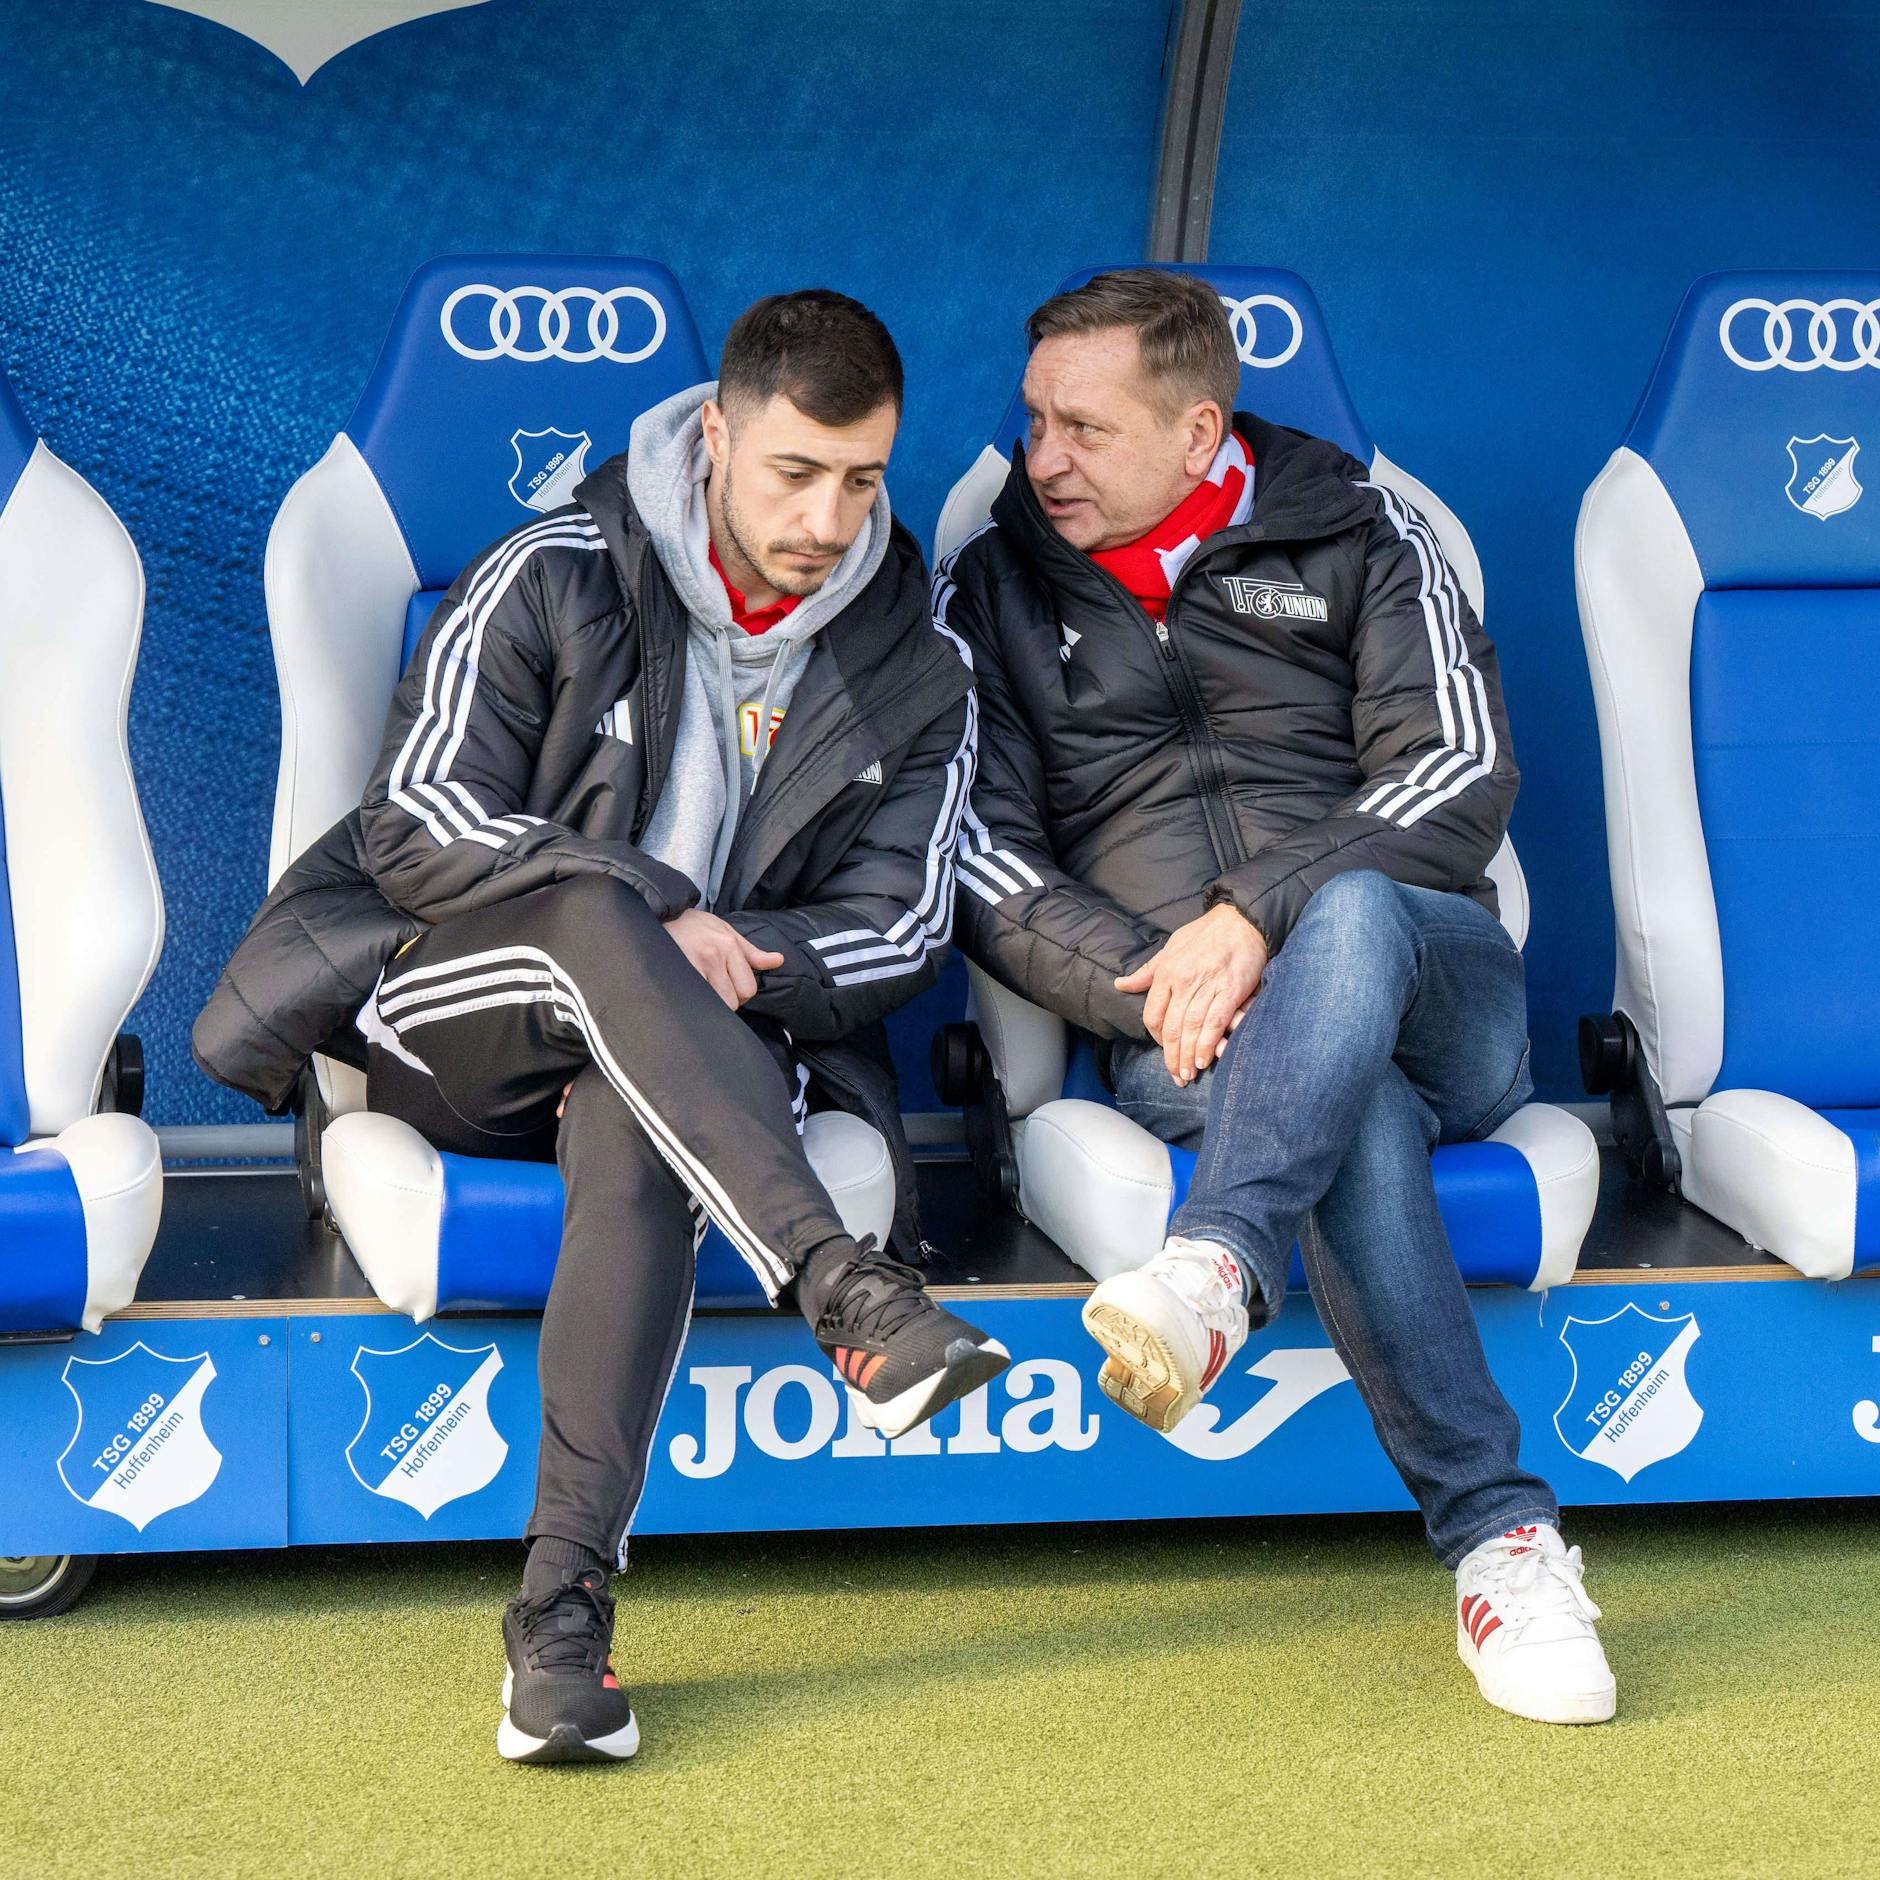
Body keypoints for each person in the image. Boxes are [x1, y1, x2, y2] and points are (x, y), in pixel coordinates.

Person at [196, 289, 1008, 1763]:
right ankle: (843, 1289)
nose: (831, 518)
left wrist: (712, 957)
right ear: (716, 435)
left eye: (864, 479)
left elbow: (902, 925)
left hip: (698, 1055)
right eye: (794, 472)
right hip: (465, 1018)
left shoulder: (917, 660)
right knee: (590, 921)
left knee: (642, 1114)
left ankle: (560, 1620)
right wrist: (648, 905)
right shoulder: (551, 572)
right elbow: (418, 824)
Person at [943, 268, 1614, 1726]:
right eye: (1034, 419)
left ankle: (1221, 1259)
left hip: (1436, 988)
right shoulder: (991, 587)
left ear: (1199, 434)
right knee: (1347, 1104)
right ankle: (1502, 1542)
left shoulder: (1365, 535)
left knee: (1354, 906)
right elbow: (982, 857)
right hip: (1182, 1024)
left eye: (1083, 429)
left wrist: (1256, 913)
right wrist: (1160, 979)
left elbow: (1457, 775)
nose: (1039, 457)